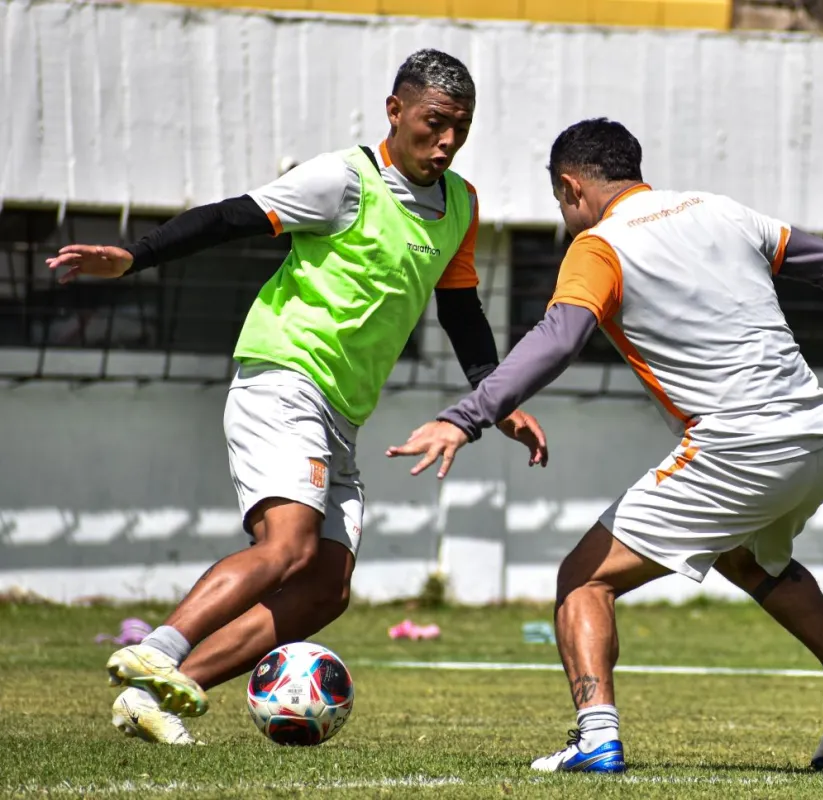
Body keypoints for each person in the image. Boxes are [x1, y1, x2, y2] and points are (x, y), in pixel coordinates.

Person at [387, 118, 823, 773]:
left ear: (571, 187)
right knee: (743, 557)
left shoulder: (599, 244)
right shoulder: (720, 209)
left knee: (582, 580)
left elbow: (559, 339)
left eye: (560, 204)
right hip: (816, 439)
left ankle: (596, 738)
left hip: (740, 445)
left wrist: (467, 416)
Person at [47, 49, 547, 745]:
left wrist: (495, 396)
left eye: (460, 128)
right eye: (433, 123)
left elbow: (459, 308)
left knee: (324, 587)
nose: (446, 142)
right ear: (394, 111)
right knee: (286, 546)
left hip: (341, 409)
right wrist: (137, 257)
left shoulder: (459, 205)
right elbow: (231, 217)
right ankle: (160, 647)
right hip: (283, 377)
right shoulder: (343, 179)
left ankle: (161, 691)